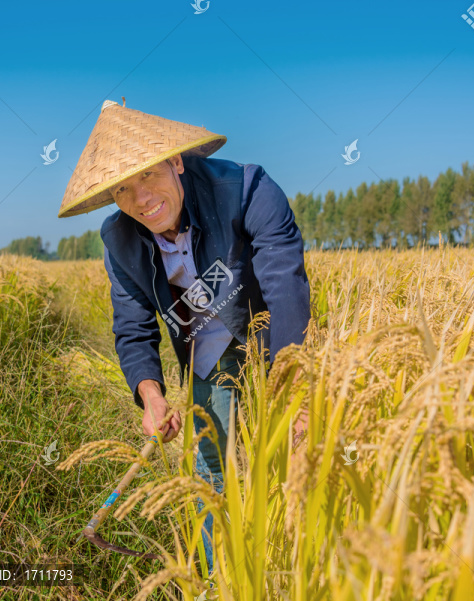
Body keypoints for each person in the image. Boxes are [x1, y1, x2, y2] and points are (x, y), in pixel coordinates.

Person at [57, 99, 311, 574]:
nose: (141, 198)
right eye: (123, 188)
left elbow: (284, 284)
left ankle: (289, 567)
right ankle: (221, 580)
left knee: (287, 459)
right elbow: (132, 329)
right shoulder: (121, 242)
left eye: (149, 175)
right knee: (212, 473)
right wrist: (150, 395)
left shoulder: (246, 189)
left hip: (268, 338)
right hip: (204, 357)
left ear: (176, 160)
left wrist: (294, 383)